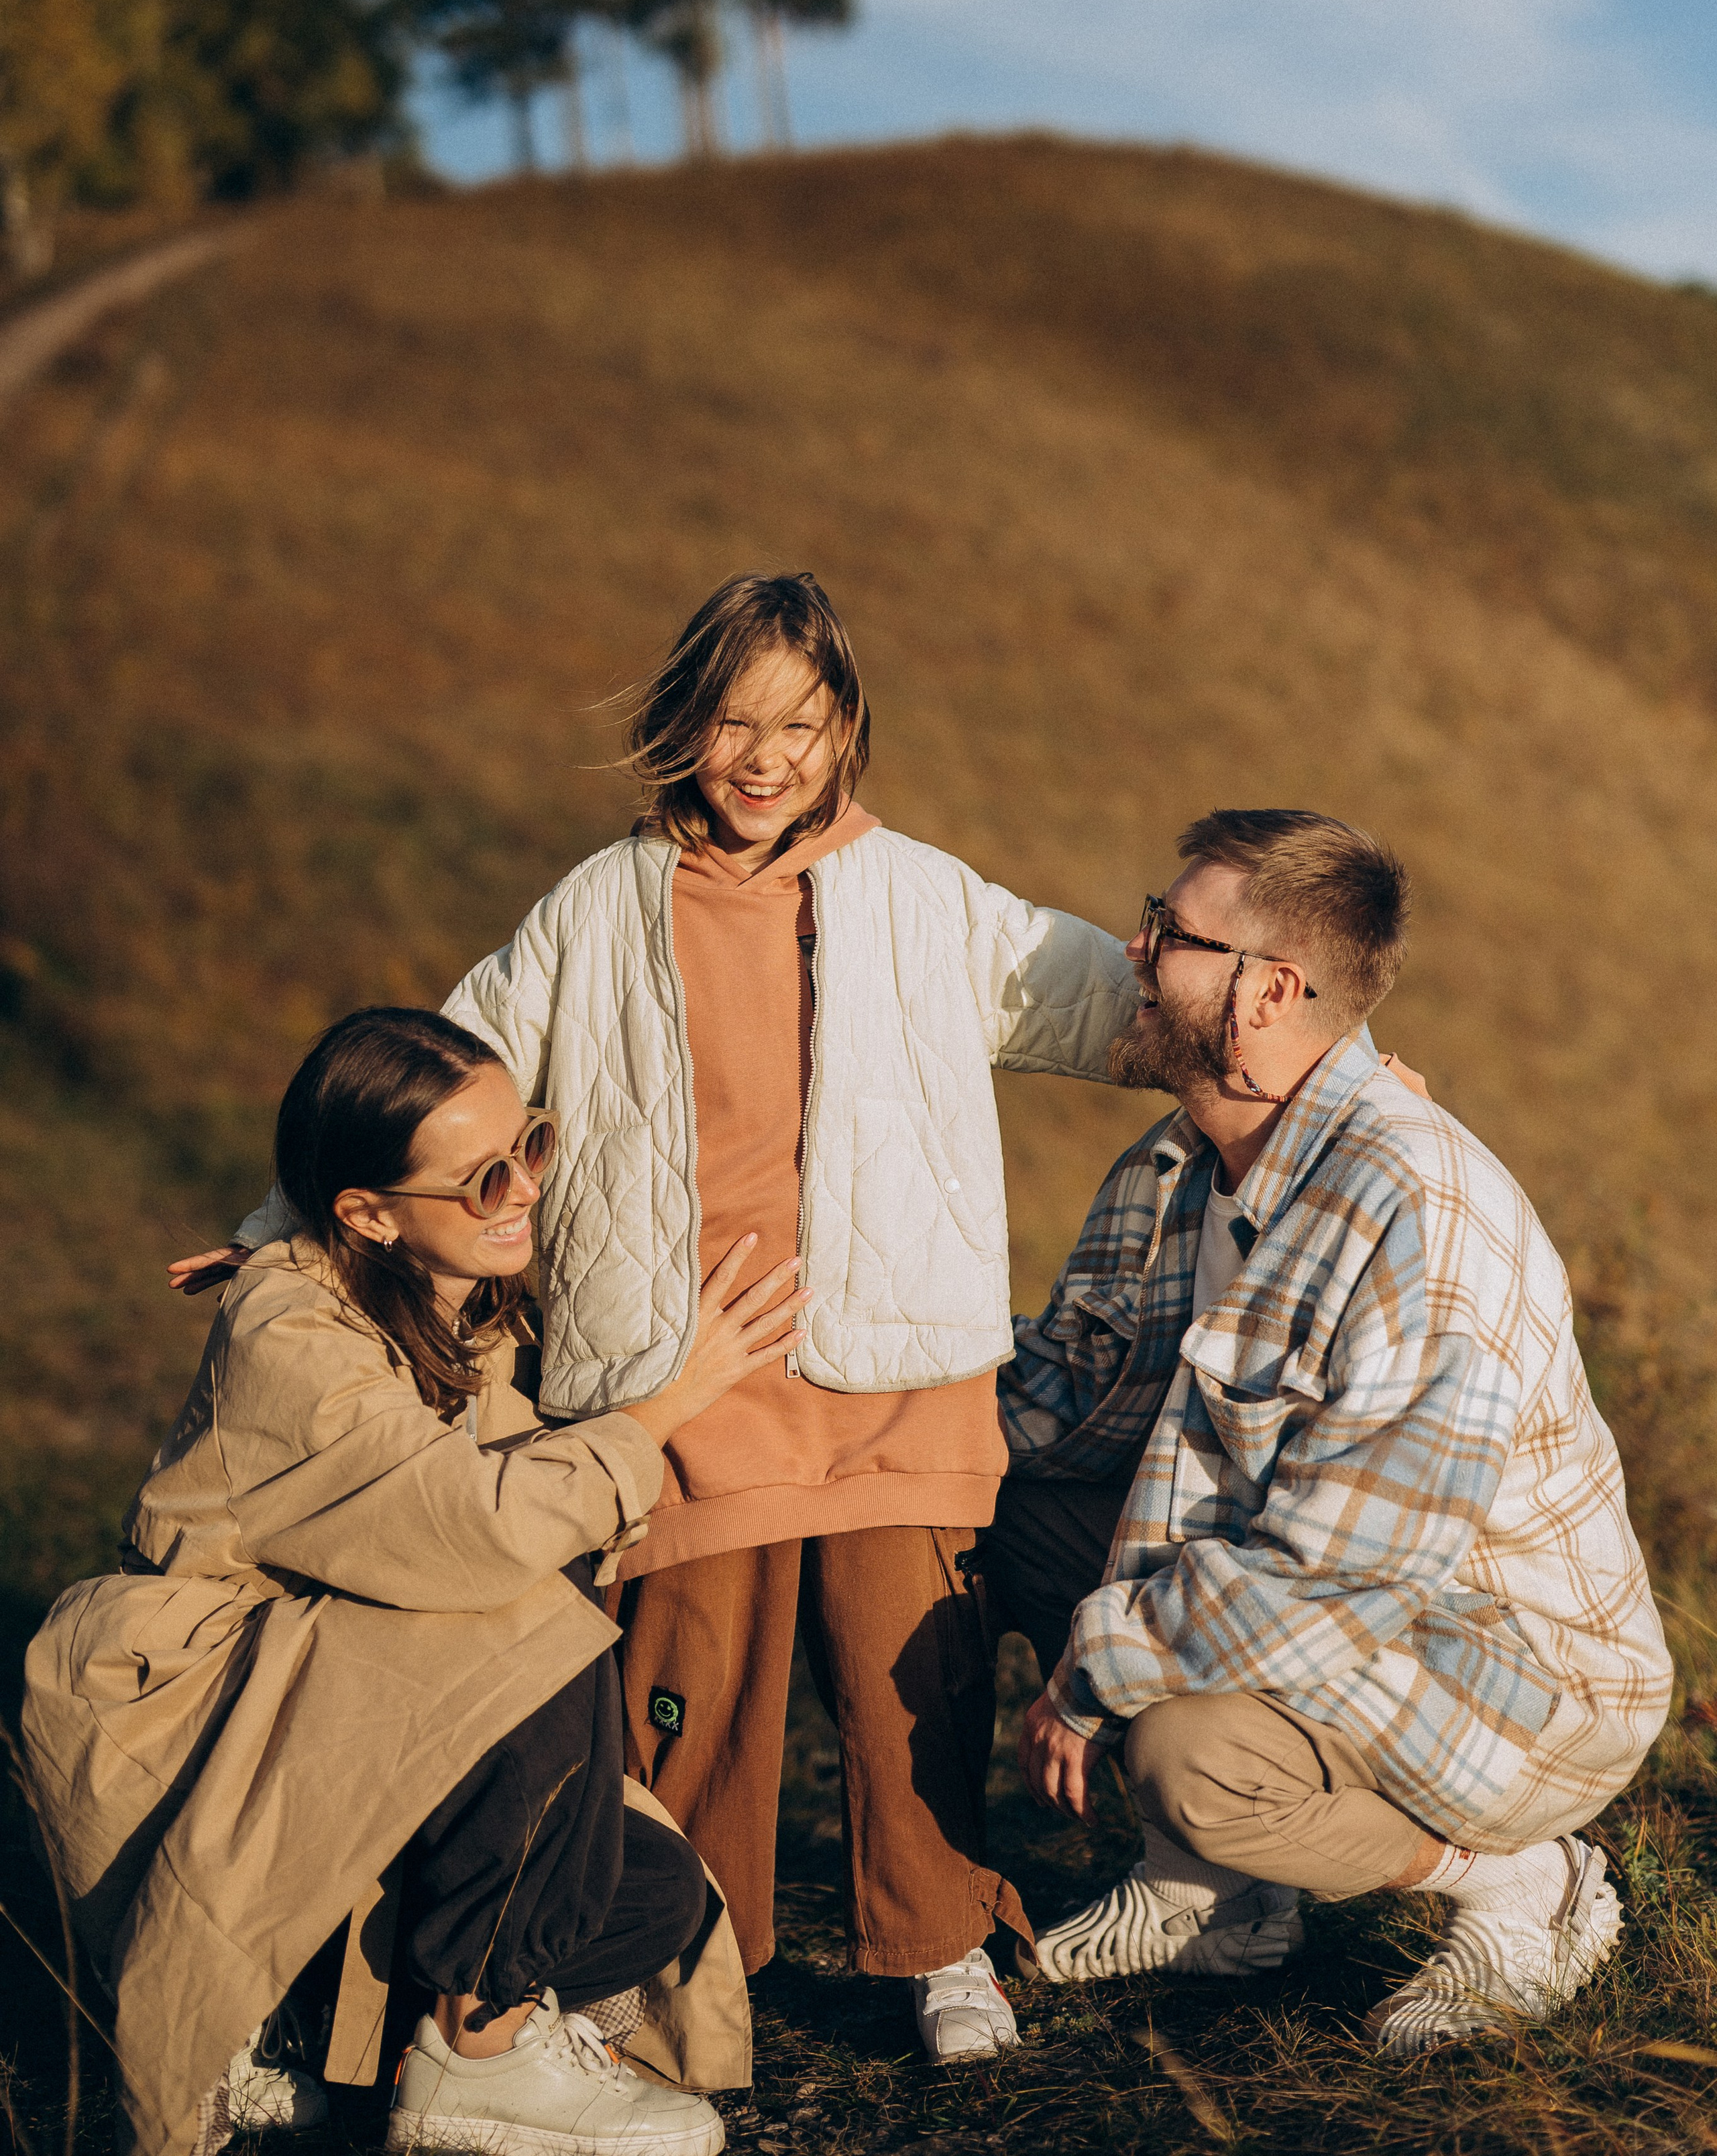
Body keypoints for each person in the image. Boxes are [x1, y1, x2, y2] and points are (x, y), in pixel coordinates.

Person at [178, 571, 1142, 2063]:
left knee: (915, 1668)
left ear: (847, 731)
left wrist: (1321, 1059)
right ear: (679, 724)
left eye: (803, 725)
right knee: (688, 1681)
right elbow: (443, 1077)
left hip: (893, 1363)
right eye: (733, 721)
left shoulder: (928, 895)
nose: (766, 757)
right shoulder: (594, 905)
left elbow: (1121, 1003)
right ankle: (685, 1948)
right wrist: (283, 1233)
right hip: (686, 1364)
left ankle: (942, 1940)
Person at [25, 1006, 807, 2156]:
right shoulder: (292, 1333)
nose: (525, 1191)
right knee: (530, 1625)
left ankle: (347, 2039)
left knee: (651, 1901)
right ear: (367, 1215)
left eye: (530, 1146)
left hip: (341, 1688)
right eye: (482, 1179)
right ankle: (469, 2057)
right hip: (203, 1701)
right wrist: (666, 1408)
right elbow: (476, 1529)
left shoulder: (450, 1297)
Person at [987, 809, 1672, 2055]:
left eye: (1168, 934)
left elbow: (1337, 1582)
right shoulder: (1181, 1168)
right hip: (1340, 1606)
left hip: (1514, 1671)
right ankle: (1223, 1902)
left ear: (1268, 993)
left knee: (1188, 1756)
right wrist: (855, 1418)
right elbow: (1074, 1404)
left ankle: (1516, 1883)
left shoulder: (1420, 1221)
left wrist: (1096, 1676)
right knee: (1007, 1514)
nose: (1132, 952)